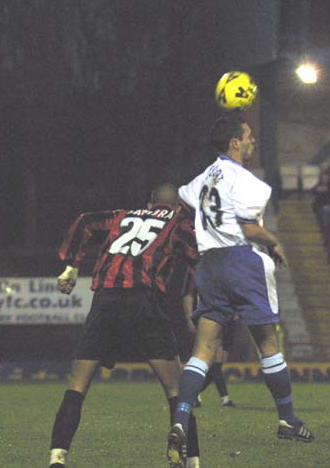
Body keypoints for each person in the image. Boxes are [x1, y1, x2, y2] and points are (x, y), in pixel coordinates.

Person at [166, 114, 314, 467]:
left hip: (209, 267)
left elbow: (183, 197)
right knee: (268, 343)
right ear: (235, 143)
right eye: (248, 137)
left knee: (202, 349)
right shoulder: (248, 182)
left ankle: (180, 420)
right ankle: (288, 419)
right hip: (241, 263)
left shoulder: (204, 176)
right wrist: (274, 241)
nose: (252, 142)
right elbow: (249, 229)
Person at [48, 184, 202, 468]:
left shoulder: (121, 215)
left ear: (149, 202)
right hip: (146, 299)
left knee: (77, 385)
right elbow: (198, 253)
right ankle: (191, 460)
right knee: (176, 390)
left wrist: (71, 265)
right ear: (178, 207)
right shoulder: (178, 222)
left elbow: (84, 221)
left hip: (106, 298)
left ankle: (57, 457)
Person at [181, 276, 237, 407]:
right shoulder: (200, 272)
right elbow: (188, 296)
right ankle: (224, 398)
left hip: (231, 320)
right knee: (215, 362)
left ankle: (194, 394)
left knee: (218, 364)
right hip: (214, 317)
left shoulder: (233, 271)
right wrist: (189, 317)